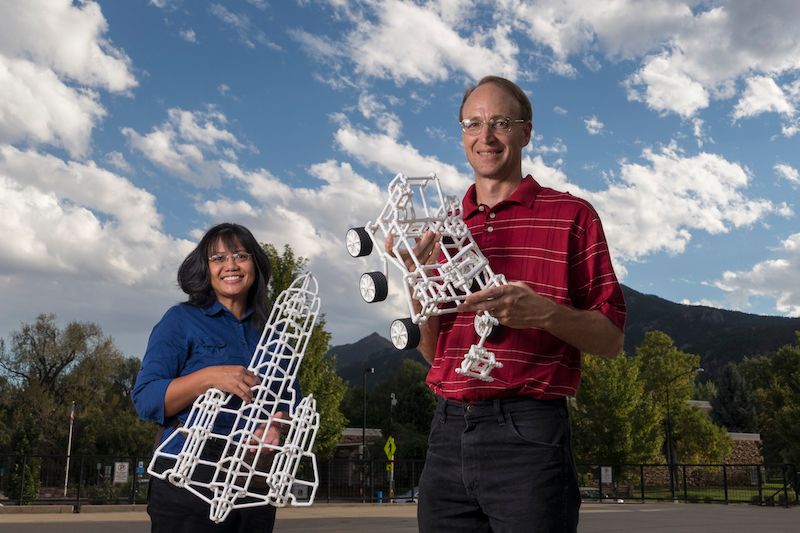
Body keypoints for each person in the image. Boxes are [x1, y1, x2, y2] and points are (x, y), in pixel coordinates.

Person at [397, 76, 627, 532]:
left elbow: (611, 340)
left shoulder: (571, 216)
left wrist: (541, 312)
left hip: (529, 433)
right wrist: (415, 281)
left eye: (500, 122)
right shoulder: (440, 228)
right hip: (446, 432)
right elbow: (433, 353)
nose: (485, 136)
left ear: (526, 132)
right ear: (462, 135)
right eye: (473, 123)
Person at [133, 222, 293, 533]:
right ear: (205, 269)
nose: (230, 265)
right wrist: (208, 377)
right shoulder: (180, 321)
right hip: (187, 476)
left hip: (254, 482)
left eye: (240, 256)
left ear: (255, 266)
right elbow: (146, 398)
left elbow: (289, 402)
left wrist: (275, 426)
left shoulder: (276, 339)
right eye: (217, 258)